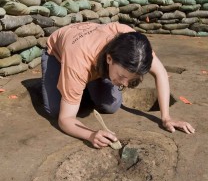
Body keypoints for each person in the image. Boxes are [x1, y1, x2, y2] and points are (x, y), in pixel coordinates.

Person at [41, 22, 195, 149]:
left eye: (130, 79)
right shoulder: (78, 62)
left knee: (111, 106)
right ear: (109, 59)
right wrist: (90, 134)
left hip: (94, 58)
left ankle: (79, 86)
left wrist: (166, 118)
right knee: (55, 110)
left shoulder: (136, 48)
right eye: (121, 77)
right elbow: (66, 119)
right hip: (58, 54)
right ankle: (68, 84)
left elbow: (160, 73)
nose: (124, 84)